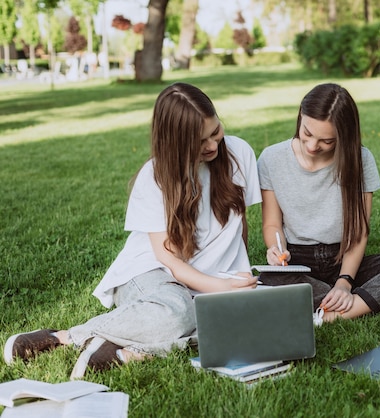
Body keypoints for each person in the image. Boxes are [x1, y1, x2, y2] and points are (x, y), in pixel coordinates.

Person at [3, 82, 262, 379]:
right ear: (175, 143)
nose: (213, 146)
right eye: (199, 142)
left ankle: (124, 350)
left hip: (214, 283)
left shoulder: (240, 153)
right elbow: (171, 262)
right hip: (153, 275)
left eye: (215, 132)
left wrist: (238, 272)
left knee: (243, 321)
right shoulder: (154, 178)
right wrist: (219, 289)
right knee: (180, 313)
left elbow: (240, 224)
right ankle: (63, 337)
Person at [257, 83, 380, 324]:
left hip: (344, 258)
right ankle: (376, 300)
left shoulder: (361, 160)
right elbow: (271, 223)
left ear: (344, 136)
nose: (312, 146)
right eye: (307, 133)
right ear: (300, 116)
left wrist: (345, 281)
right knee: (271, 278)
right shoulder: (271, 158)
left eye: (327, 141)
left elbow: (358, 232)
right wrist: (275, 249)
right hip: (297, 260)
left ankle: (332, 313)